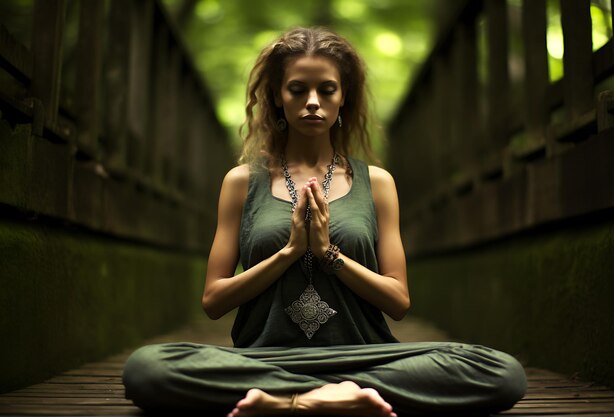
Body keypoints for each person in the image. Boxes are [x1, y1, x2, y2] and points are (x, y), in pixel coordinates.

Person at [123, 27, 527, 416]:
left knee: (501, 372)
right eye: (298, 89)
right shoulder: (241, 183)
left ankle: (291, 401)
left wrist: (328, 254)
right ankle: (329, 399)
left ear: (342, 98)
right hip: (264, 358)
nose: (312, 101)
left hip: (366, 359)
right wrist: (290, 252)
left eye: (326, 89)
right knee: (147, 368)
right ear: (278, 97)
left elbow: (399, 302)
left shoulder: (378, 183)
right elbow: (213, 301)